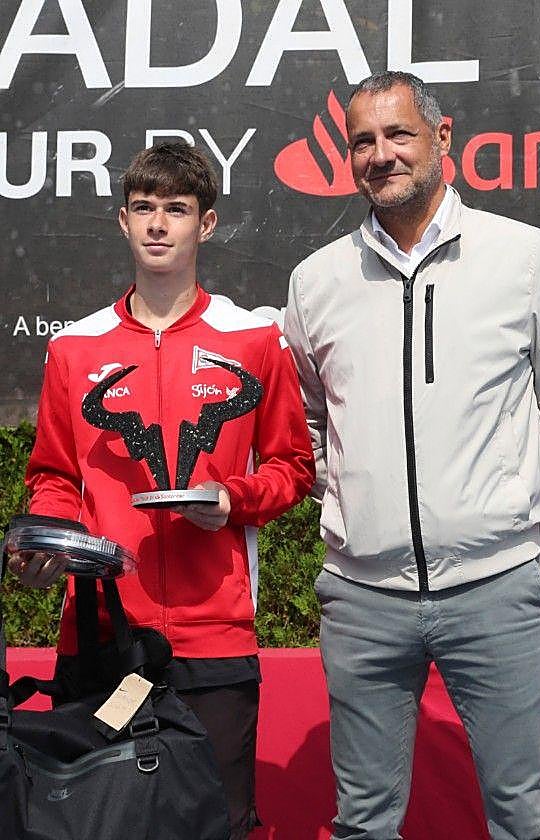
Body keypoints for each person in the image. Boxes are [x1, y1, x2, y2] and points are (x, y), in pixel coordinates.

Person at [282, 70, 540, 840]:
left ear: (442, 137)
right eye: (363, 141)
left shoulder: (523, 256)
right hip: (362, 599)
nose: (380, 154)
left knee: (526, 818)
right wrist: (352, 514)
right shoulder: (316, 281)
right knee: (362, 824)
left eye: (398, 134)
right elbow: (306, 421)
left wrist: (535, 529)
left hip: (496, 589)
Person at [9, 142, 316, 839]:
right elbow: (54, 476)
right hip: (100, 633)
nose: (157, 224)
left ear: (206, 224)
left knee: (217, 823)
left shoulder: (254, 338)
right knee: (95, 822)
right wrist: (48, 541)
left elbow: (293, 466)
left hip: (215, 633)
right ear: (122, 221)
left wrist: (232, 500)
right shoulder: (75, 347)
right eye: (143, 208)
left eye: (175, 209)